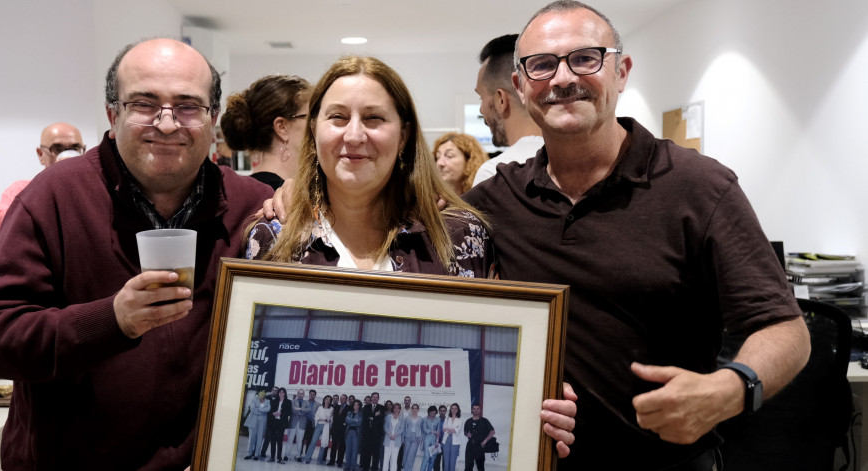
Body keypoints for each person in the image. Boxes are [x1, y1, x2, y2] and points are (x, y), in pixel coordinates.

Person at [463, 1, 811, 469]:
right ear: (522, 88)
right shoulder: (494, 199)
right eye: (542, 65)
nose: (563, 78)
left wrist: (730, 388)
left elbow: (784, 328)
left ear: (621, 71)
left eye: (585, 58)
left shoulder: (700, 186)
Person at [0, 38, 273, 469]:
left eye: (187, 106)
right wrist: (113, 320)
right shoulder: (54, 197)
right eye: (145, 103)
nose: (167, 124)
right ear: (113, 114)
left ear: (212, 118)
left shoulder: (252, 206)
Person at [244, 55, 492, 279]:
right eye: (337, 117)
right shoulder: (273, 238)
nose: (354, 136)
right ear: (314, 130)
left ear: (403, 136)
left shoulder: (461, 234)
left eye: (374, 117)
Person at [0, 122, 85, 245]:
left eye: (75, 149)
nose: (67, 155)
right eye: (57, 149)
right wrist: (46, 188)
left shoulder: (93, 189)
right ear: (41, 154)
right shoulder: (21, 190)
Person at [471, 34, 545, 187]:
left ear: (501, 100)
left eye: (481, 97)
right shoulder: (573, 165)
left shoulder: (495, 174)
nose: (481, 109)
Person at [221, 74, 311, 189]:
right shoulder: (277, 199)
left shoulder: (251, 190)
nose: (317, 125)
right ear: (282, 127)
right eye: (310, 117)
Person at [462, 404, 494, 471]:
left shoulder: (484, 421)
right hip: (470, 446)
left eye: (477, 408)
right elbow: (465, 432)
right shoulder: (468, 421)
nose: (475, 410)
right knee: (468, 467)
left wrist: (485, 441)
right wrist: (467, 434)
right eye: (474, 408)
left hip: (480, 446)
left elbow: (492, 431)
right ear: (472, 410)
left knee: (480, 467)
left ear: (480, 410)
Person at [304, 394, 334, 463]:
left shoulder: (332, 409)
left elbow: (331, 419)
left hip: (326, 427)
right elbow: (317, 417)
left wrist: (327, 420)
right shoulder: (320, 407)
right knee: (313, 442)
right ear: (324, 400)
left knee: (324, 442)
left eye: (329, 400)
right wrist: (324, 419)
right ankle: (307, 458)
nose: (327, 401)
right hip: (319, 426)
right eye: (326, 399)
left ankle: (319, 460)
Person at [244, 390, 271, 460]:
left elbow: (268, 409)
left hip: (262, 421)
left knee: (260, 438)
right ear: (258, 393)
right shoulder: (254, 400)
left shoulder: (267, 401)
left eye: (264, 393)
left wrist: (258, 409)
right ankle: (249, 453)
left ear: (265, 394)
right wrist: (262, 411)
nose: (262, 394)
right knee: (251, 437)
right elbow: (252, 409)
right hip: (253, 420)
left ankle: (256, 454)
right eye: (261, 393)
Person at [269, 387, 293, 463]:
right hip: (274, 422)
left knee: (279, 441)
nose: (281, 393)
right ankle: (272, 457)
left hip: (281, 423)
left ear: (285, 393)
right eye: (280, 392)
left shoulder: (288, 402)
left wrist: (281, 413)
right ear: (278, 393)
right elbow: (270, 411)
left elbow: (289, 412)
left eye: (283, 392)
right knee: (272, 440)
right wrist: (273, 413)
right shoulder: (274, 401)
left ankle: (279, 458)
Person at [286, 389, 310, 462]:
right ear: (297, 394)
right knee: (290, 440)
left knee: (300, 441)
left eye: (302, 393)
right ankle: (286, 455)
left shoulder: (306, 402)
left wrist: (299, 409)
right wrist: (302, 411)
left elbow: (309, 410)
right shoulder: (292, 401)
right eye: (299, 393)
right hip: (293, 424)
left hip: (302, 424)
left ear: (304, 395)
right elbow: (292, 410)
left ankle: (298, 456)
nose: (300, 395)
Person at [328, 393, 351, 466]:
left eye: (343, 398)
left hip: (344, 430)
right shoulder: (337, 407)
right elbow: (334, 418)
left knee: (342, 446)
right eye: (341, 398)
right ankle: (332, 461)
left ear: (346, 400)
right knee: (333, 446)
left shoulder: (349, 408)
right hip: (335, 429)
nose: (342, 400)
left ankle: (339, 462)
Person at [440, 404, 463, 471]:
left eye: (455, 408)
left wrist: (450, 430)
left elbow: (457, 430)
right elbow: (444, 429)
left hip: (455, 442)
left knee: (452, 462)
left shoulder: (460, 420)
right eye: (452, 408)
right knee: (446, 462)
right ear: (450, 409)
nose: (453, 410)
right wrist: (451, 430)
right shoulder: (447, 419)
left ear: (458, 410)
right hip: (446, 441)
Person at [382, 403, 405, 471]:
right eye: (395, 408)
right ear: (393, 409)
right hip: (388, 440)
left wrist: (395, 435)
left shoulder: (401, 418)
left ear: (400, 409)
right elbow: (385, 426)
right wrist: (389, 435)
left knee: (394, 459)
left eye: (398, 408)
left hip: (396, 440)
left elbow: (402, 429)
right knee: (386, 458)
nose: (396, 409)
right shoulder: (389, 416)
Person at [401, 403, 424, 471]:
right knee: (405, 454)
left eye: (416, 408)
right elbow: (404, 428)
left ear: (418, 410)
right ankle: (405, 468)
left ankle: (409, 469)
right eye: (413, 408)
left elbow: (422, 430)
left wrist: (421, 437)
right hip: (407, 437)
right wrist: (403, 437)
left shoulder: (421, 419)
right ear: (411, 409)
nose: (414, 409)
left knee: (411, 455)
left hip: (416, 438)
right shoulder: (407, 417)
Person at [344, 399, 364, 471]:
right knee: (348, 449)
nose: (356, 406)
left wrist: (351, 420)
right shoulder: (349, 412)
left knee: (355, 450)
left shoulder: (361, 413)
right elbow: (346, 420)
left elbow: (359, 423)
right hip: (349, 432)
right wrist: (355, 420)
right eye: (355, 405)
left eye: (357, 405)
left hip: (356, 433)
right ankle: (347, 466)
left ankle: (353, 466)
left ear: (359, 406)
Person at [419, 406, 441, 471]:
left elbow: (438, 430)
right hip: (427, 438)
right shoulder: (424, 419)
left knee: (433, 458)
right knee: (426, 457)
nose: (433, 415)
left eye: (434, 413)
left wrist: (437, 441)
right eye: (431, 413)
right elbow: (424, 429)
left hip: (434, 439)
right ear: (428, 412)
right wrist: (432, 431)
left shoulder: (438, 419)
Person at [433, 405, 447, 471]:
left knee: (445, 462)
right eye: (441, 411)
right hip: (437, 443)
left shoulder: (448, 421)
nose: (442, 412)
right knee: (436, 461)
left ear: (446, 412)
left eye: (443, 411)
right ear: (439, 412)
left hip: (445, 444)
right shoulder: (435, 420)